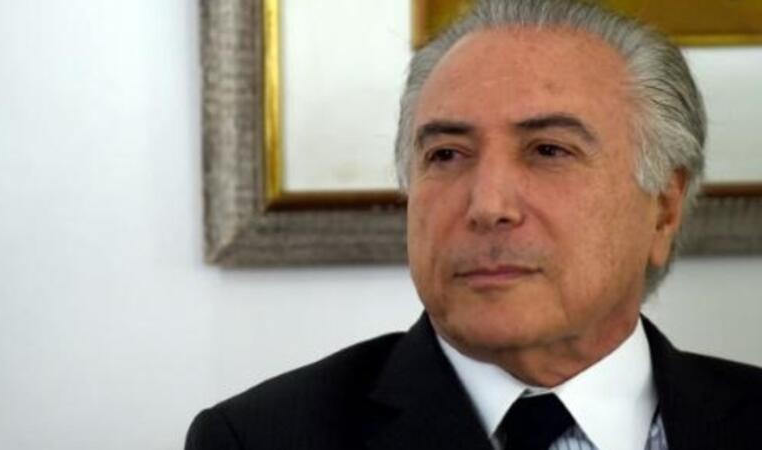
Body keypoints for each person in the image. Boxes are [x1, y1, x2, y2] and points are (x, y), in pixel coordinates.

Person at [186, 0, 762, 449]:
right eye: (446, 155)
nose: (487, 205)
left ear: (663, 208)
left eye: (549, 150)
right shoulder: (258, 438)